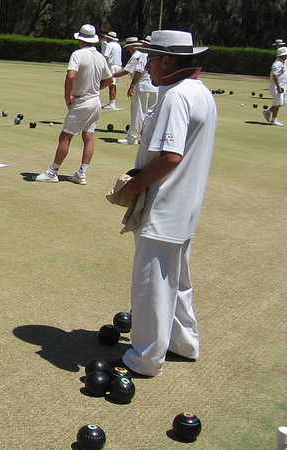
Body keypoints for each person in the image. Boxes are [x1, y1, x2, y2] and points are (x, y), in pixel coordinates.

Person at [116, 30, 217, 377]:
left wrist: (136, 185)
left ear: (167, 61)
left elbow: (170, 156)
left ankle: (145, 358)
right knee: (178, 279)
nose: (146, 66)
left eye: (150, 59)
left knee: (152, 284)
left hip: (164, 206)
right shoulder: (202, 92)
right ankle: (184, 343)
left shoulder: (176, 96)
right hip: (186, 207)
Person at [35, 24, 112, 185]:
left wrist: (67, 97)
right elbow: (109, 80)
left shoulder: (78, 54)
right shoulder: (100, 57)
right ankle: (82, 174)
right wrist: (96, 89)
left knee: (65, 136)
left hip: (81, 102)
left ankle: (52, 172)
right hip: (95, 102)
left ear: (80, 40)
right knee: (88, 136)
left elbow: (71, 77)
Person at [113, 37, 157, 145]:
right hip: (155, 87)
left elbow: (139, 71)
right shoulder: (157, 55)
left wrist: (132, 85)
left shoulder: (143, 54)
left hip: (144, 87)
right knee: (150, 114)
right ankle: (147, 138)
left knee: (138, 113)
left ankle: (131, 138)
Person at [264, 46, 287, 126]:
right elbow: (275, 75)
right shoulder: (277, 64)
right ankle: (271, 115)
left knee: (280, 102)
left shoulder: (283, 62)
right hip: (277, 87)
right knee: (278, 103)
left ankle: (271, 116)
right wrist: (278, 86)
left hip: (283, 86)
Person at [102, 31, 123, 109]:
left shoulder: (109, 45)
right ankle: (112, 102)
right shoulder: (118, 45)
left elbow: (106, 56)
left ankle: (112, 103)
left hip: (112, 66)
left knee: (111, 85)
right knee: (113, 85)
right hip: (118, 66)